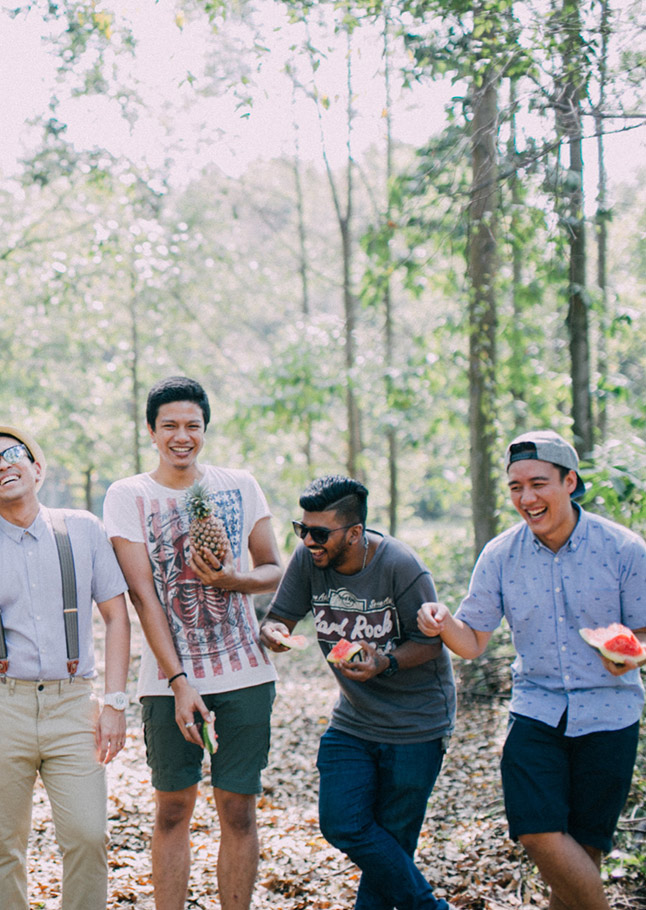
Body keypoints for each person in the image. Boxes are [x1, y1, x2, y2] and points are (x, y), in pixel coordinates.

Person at [419, 430, 646, 910]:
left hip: (611, 714)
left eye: (539, 483)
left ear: (570, 481)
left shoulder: (624, 549)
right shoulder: (501, 555)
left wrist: (629, 652)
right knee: (537, 832)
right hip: (536, 712)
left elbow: (644, 631)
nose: (527, 497)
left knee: (584, 849)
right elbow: (474, 641)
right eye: (515, 487)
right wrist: (443, 622)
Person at [102, 376, 282, 910]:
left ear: (205, 428)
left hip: (245, 673)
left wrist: (235, 582)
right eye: (170, 426)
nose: (182, 436)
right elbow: (143, 596)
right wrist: (179, 682)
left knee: (239, 810)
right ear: (152, 432)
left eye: (192, 426)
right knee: (173, 809)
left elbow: (274, 567)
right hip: (166, 681)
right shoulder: (129, 495)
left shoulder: (241, 485)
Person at [0, 424, 130, 910]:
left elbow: (116, 617)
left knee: (87, 835)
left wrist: (115, 702)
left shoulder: (83, 529)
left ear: (37, 468)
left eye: (14, 454)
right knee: (3, 843)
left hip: (73, 703)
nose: (4, 465)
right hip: (0, 705)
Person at [259, 475, 455, 910]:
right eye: (302, 529)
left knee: (392, 840)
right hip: (353, 720)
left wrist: (385, 661)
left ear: (354, 533)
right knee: (342, 823)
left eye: (320, 533)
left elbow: (433, 641)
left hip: (416, 723)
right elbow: (280, 618)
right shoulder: (310, 558)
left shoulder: (400, 566)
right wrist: (273, 633)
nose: (309, 540)